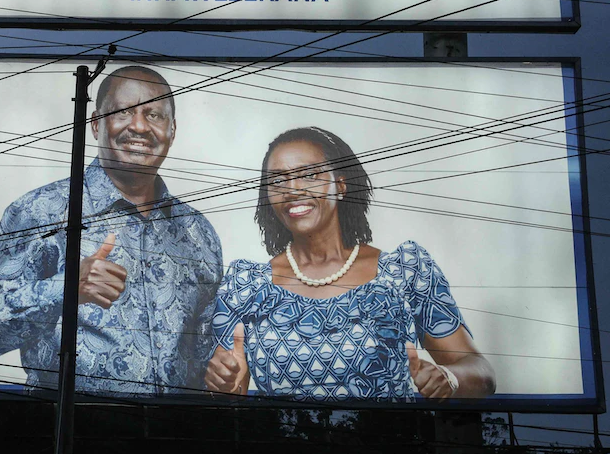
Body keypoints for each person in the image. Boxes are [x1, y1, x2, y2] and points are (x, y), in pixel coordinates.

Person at [0, 66, 223, 395]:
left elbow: (204, 351)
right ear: (96, 124)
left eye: (154, 115)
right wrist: (66, 288)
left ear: (172, 130)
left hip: (174, 426)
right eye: (123, 112)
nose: (139, 126)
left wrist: (222, 370)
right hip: (70, 423)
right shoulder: (41, 212)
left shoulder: (199, 233)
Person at [204, 127, 496, 402]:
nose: (292, 190)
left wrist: (449, 378)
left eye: (309, 175)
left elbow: (480, 372)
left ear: (341, 185)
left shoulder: (404, 272)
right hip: (286, 439)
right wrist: (224, 385)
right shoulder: (246, 286)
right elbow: (231, 393)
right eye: (278, 180)